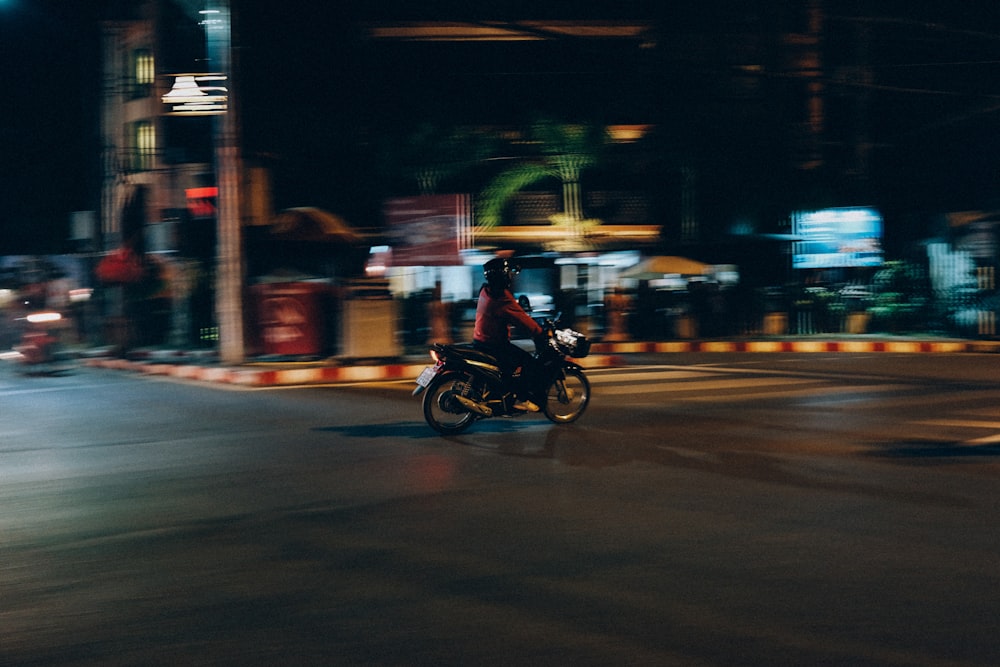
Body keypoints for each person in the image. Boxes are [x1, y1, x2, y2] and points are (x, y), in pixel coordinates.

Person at [473, 257, 545, 412]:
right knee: (527, 362)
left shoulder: (486, 291)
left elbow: (510, 312)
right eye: (508, 274)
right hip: (494, 345)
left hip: (480, 341)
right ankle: (523, 398)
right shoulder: (502, 298)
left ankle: (503, 394)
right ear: (502, 276)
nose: (511, 277)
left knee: (510, 365)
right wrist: (540, 332)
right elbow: (524, 321)